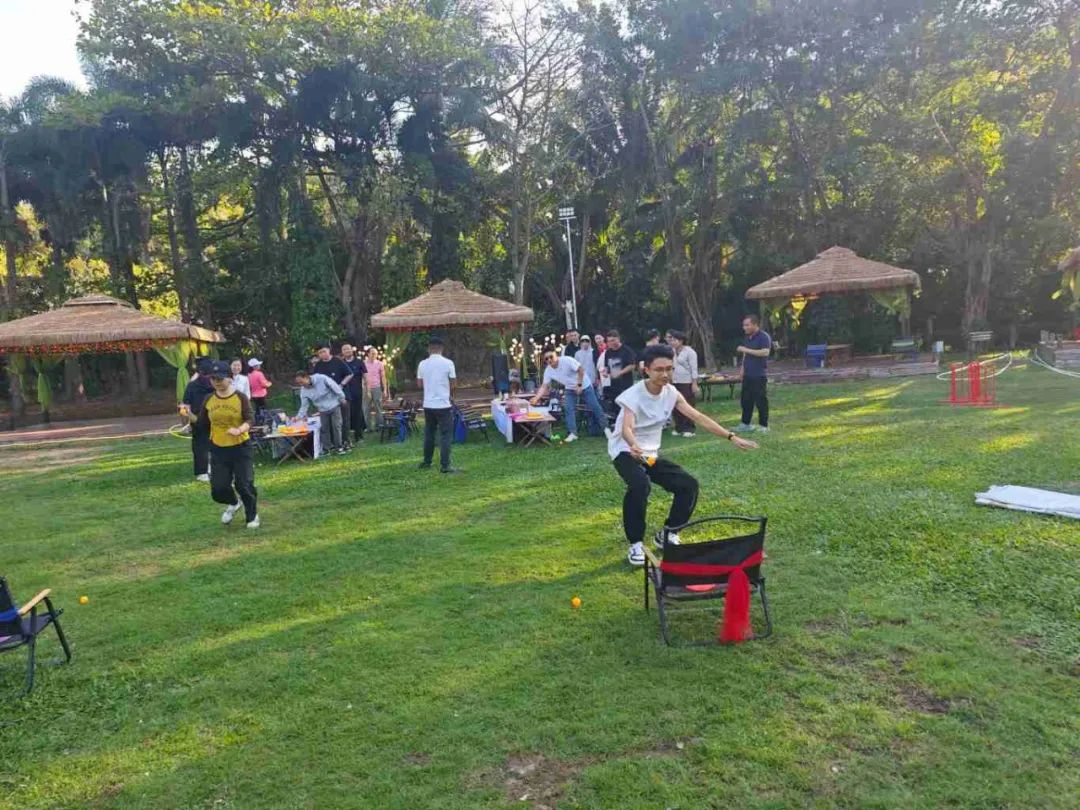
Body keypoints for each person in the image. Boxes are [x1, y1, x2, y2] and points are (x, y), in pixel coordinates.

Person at [610, 344, 757, 566]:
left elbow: (698, 417)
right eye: (659, 369)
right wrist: (633, 445)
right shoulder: (633, 395)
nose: (665, 374)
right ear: (646, 369)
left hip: (648, 453)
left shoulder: (671, 393)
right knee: (640, 485)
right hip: (625, 450)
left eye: (669, 369)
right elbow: (626, 428)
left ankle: (668, 533)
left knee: (688, 485)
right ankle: (636, 544)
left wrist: (731, 436)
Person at [184, 360, 259, 529]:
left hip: (241, 447)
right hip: (218, 449)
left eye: (220, 378)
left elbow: (250, 419)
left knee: (244, 484)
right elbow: (202, 423)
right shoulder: (209, 399)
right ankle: (234, 503)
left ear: (230, 378)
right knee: (218, 489)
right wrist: (188, 414)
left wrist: (239, 430)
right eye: (213, 379)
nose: (216, 382)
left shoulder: (240, 397)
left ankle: (252, 516)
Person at [531, 350, 608, 442]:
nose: (549, 360)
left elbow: (581, 369)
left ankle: (606, 429)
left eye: (551, 357)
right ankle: (573, 433)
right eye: (546, 359)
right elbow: (544, 386)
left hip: (584, 385)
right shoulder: (548, 370)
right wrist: (536, 398)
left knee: (595, 407)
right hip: (570, 388)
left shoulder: (566, 360)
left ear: (556, 355)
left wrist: (579, 385)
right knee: (568, 408)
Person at [416, 336, 459, 473]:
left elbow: (419, 384)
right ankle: (445, 465)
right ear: (442, 348)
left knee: (429, 433)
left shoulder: (422, 364)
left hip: (428, 404)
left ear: (429, 348)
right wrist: (448, 393)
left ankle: (427, 461)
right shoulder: (448, 363)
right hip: (443, 404)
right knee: (445, 435)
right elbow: (454, 383)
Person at [294, 369, 348, 455]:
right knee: (324, 429)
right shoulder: (303, 391)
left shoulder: (321, 378)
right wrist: (298, 417)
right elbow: (304, 406)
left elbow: (335, 387)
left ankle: (339, 447)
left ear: (306, 377)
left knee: (336, 426)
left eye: (301, 382)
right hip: (322, 409)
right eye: (298, 383)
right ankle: (327, 449)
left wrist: (342, 397)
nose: (301, 384)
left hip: (334, 405)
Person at [312, 343, 355, 450]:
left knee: (344, 420)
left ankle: (346, 441)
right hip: (327, 399)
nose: (322, 354)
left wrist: (341, 385)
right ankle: (333, 444)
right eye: (320, 353)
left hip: (341, 395)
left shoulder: (338, 361)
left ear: (329, 350)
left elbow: (350, 374)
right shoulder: (318, 366)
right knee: (331, 422)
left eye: (324, 351)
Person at [180, 357, 216, 483]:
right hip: (202, 419)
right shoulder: (196, 385)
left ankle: (205, 471)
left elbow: (185, 404)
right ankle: (205, 471)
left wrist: (187, 417)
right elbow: (185, 405)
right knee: (206, 445)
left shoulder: (193, 385)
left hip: (206, 419)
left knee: (202, 445)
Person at [736, 314, 772, 433]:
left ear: (755, 325)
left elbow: (765, 352)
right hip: (748, 374)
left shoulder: (763, 337)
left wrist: (745, 349)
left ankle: (764, 425)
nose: (744, 328)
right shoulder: (748, 338)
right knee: (746, 400)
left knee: (760, 400)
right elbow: (745, 355)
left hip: (759, 374)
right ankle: (745, 424)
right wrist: (742, 369)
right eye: (744, 325)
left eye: (747, 325)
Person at [667, 330, 700, 437]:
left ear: (681, 341)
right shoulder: (671, 351)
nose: (672, 342)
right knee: (675, 405)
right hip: (674, 381)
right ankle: (679, 427)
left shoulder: (690, 352)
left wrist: (694, 383)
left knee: (688, 404)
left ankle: (689, 428)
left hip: (686, 381)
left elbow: (694, 369)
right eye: (671, 340)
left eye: (675, 340)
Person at [599, 329, 636, 414]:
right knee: (615, 408)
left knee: (626, 407)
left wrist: (620, 372)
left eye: (613, 340)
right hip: (613, 386)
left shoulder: (626, 350)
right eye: (609, 341)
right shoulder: (608, 352)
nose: (611, 343)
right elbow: (607, 366)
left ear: (618, 339)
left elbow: (632, 365)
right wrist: (605, 372)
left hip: (625, 385)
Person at [340, 343, 368, 443]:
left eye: (348, 349)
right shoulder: (341, 363)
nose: (347, 351)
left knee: (358, 413)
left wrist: (367, 389)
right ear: (342, 352)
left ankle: (358, 436)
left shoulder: (359, 362)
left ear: (352, 350)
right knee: (346, 415)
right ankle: (346, 438)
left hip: (357, 392)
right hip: (344, 393)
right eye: (344, 349)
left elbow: (365, 376)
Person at [363, 346, 389, 430]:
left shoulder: (380, 364)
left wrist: (385, 390)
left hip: (377, 388)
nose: (374, 355)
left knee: (378, 407)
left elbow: (383, 377)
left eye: (376, 354)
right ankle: (368, 427)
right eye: (373, 353)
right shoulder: (363, 363)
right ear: (368, 354)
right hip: (366, 388)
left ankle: (379, 426)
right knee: (366, 408)